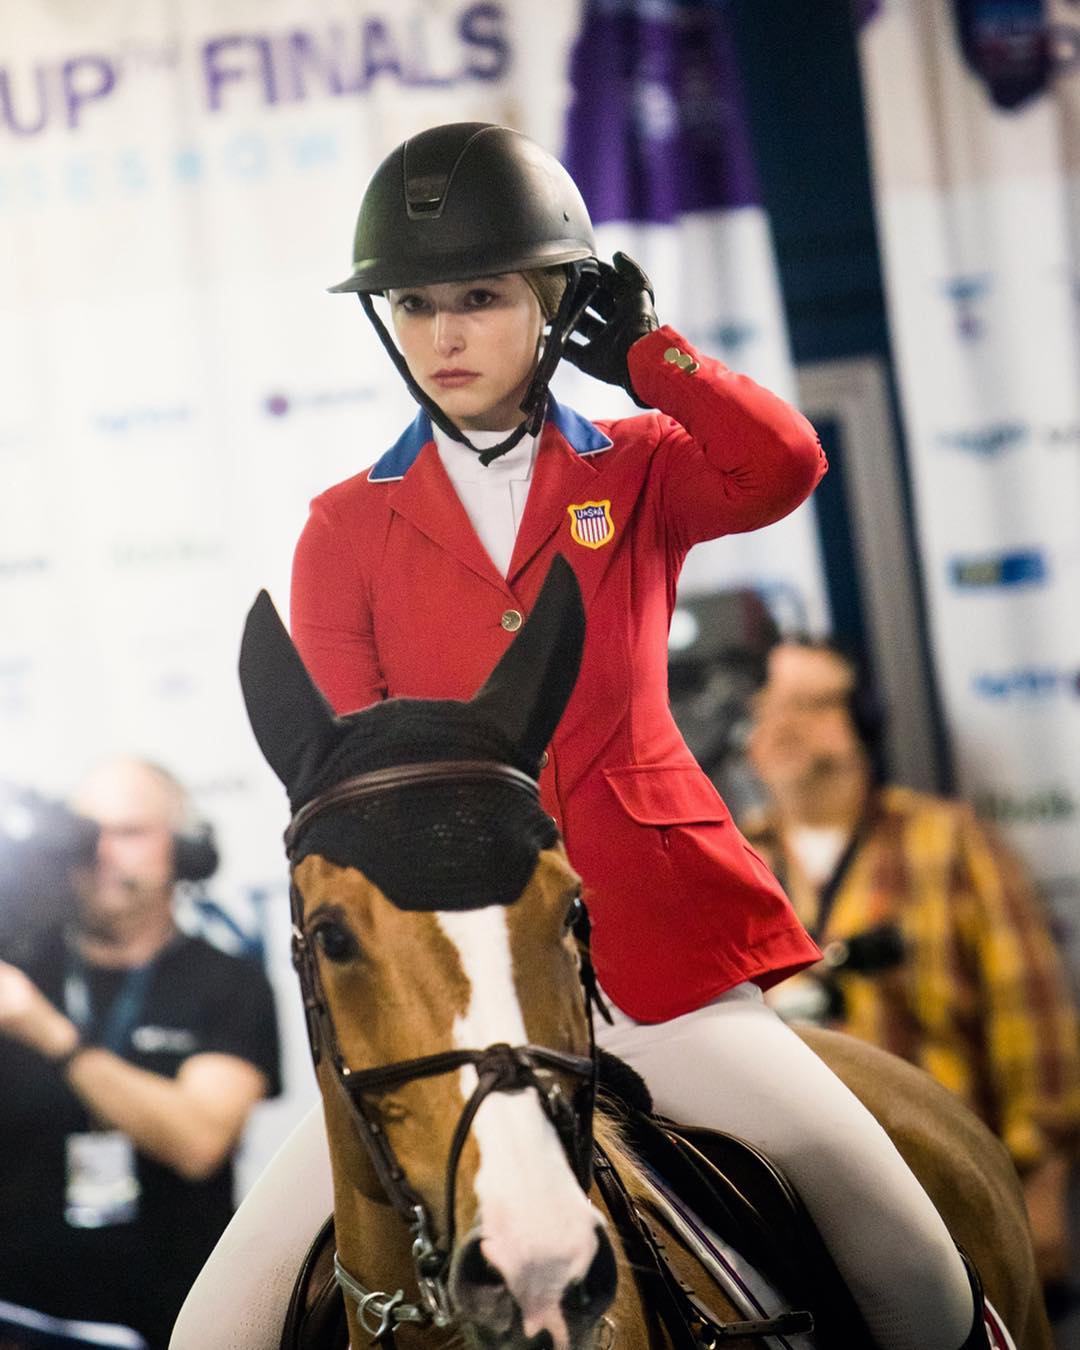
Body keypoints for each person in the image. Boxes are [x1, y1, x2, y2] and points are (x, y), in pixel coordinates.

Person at [173, 122, 989, 1350]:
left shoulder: (646, 466)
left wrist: (657, 360)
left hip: (655, 961)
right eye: (414, 304)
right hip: (444, 999)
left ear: (556, 305)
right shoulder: (342, 530)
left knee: (917, 1266)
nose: (442, 333)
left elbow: (782, 467)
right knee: (212, 1331)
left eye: (483, 297)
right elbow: (352, 781)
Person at [743, 636, 1080, 1287]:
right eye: (769, 706)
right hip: (795, 1220)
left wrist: (1041, 1187)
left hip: (949, 1190)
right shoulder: (732, 860)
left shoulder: (947, 840)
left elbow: (1027, 1014)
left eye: (810, 704)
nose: (782, 725)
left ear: (861, 722)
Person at [0, 758, 281, 1350]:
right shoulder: (19, 966)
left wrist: (52, 1035)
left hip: (175, 1327)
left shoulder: (228, 982)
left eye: (130, 832)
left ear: (186, 848)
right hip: (20, 1321)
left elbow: (199, 1141)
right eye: (86, 833)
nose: (102, 852)